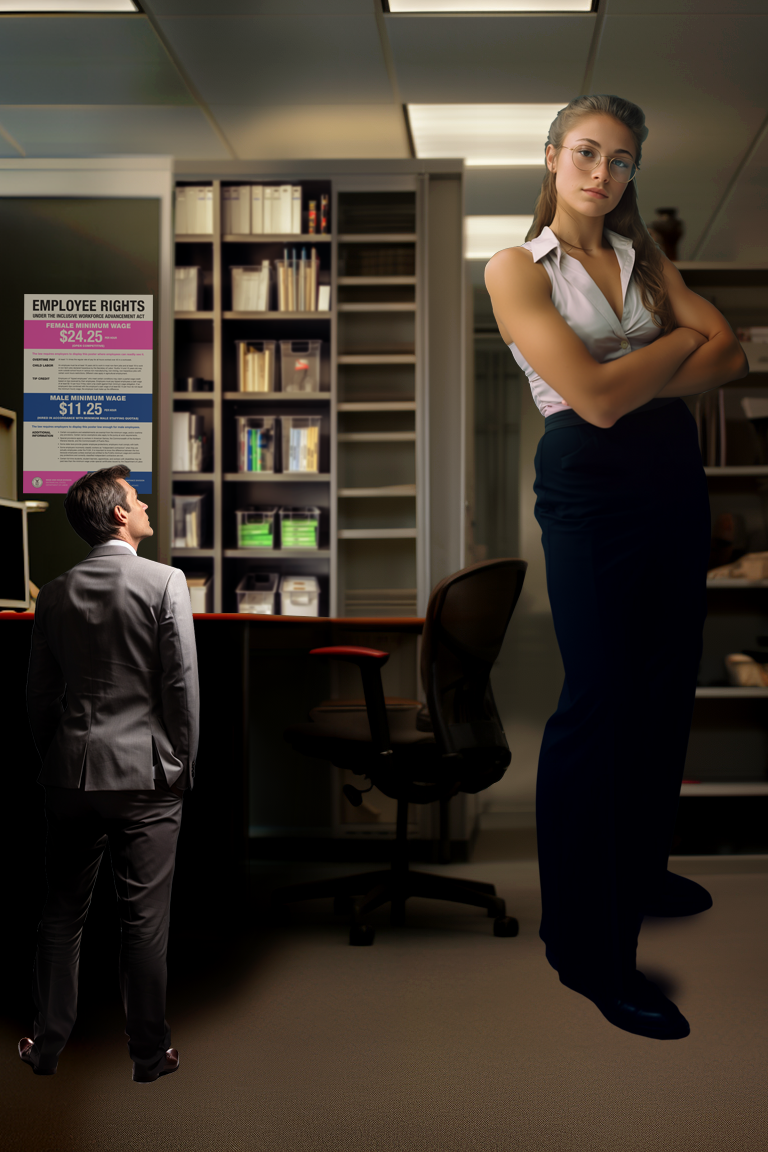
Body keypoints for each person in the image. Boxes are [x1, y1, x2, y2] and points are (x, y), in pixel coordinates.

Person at [484, 94, 748, 1040]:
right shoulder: (516, 266)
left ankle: (636, 869)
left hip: (673, 474)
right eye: (588, 153)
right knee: (599, 702)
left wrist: (644, 363)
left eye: (623, 160)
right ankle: (585, 945)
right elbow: (592, 402)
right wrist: (675, 340)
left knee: (665, 687)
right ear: (553, 158)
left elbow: (736, 356)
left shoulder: (645, 259)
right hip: (591, 481)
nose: (604, 173)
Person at [20, 465, 199, 1082]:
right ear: (119, 514)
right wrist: (177, 765)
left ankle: (46, 1045)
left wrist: (60, 756)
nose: (145, 504)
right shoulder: (165, 582)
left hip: (70, 774)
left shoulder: (55, 590)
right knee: (143, 922)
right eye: (136, 499)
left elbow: (40, 697)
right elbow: (181, 688)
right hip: (146, 777)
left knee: (60, 914)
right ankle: (149, 1056)